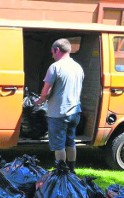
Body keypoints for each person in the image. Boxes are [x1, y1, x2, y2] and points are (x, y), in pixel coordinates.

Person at [34, 38, 84, 173]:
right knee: (70, 142)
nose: (52, 55)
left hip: (59, 113)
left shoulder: (55, 67)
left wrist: (39, 101)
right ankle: (71, 171)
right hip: (75, 112)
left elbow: (46, 90)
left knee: (58, 145)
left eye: (52, 52)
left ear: (57, 50)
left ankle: (61, 174)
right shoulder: (78, 67)